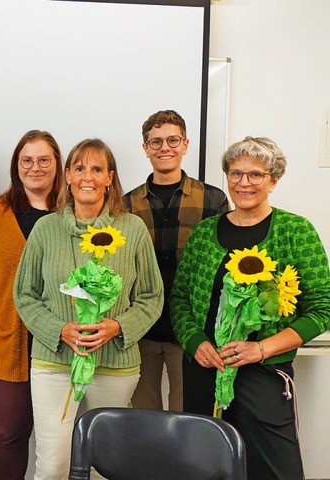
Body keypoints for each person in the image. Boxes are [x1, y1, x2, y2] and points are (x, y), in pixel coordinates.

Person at [170, 136, 330, 479]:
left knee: (274, 470)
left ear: (273, 180)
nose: (244, 183)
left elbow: (322, 308)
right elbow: (180, 299)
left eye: (256, 175)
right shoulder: (204, 233)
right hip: (204, 372)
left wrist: (260, 349)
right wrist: (195, 341)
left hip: (265, 376)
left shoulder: (295, 231)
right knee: (204, 467)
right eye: (235, 173)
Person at [13, 138, 163, 479]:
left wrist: (117, 327)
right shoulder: (45, 229)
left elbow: (152, 296)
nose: (88, 177)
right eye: (80, 168)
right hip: (54, 364)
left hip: (114, 366)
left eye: (97, 169)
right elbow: (24, 294)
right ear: (67, 175)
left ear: (110, 177)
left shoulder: (132, 229)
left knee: (104, 466)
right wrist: (59, 330)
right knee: (52, 465)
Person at [0, 130, 64, 479]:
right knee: (9, 431)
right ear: (16, 166)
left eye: (44, 160)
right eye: (27, 160)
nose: (35, 167)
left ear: (57, 165)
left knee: (58, 435)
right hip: (11, 342)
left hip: (62, 341)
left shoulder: (72, 212)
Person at [125, 110, 229, 411]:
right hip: (141, 330)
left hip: (192, 330)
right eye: (155, 142)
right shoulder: (126, 204)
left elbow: (223, 265)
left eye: (172, 140)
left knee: (188, 418)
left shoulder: (213, 200)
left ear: (185, 144)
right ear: (145, 148)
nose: (164, 148)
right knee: (143, 420)